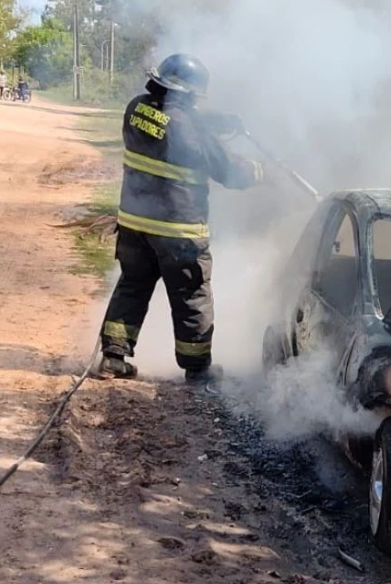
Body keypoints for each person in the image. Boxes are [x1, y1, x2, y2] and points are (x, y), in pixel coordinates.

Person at [96, 54, 266, 384]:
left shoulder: (135, 109)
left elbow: (172, 120)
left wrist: (220, 121)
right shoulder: (190, 130)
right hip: (179, 231)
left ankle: (113, 357)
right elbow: (229, 171)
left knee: (132, 287)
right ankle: (197, 368)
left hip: (134, 224)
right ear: (187, 94)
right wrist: (262, 173)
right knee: (191, 296)